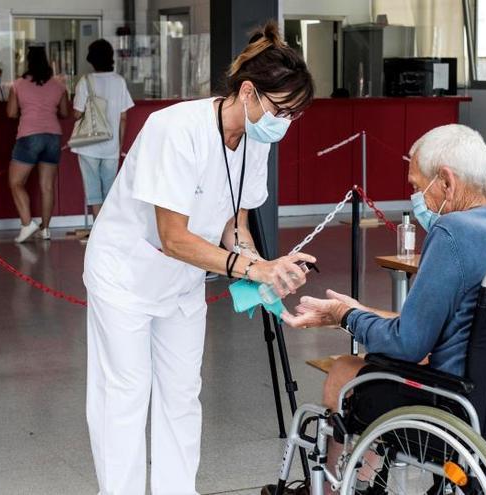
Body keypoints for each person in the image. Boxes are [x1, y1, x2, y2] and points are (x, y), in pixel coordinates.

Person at [82, 22, 314, 494]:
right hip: (127, 273)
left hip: (184, 281)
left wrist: (269, 268)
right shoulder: (176, 128)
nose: (285, 123)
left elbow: (236, 225)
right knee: (124, 397)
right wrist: (252, 266)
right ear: (248, 92)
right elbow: (173, 237)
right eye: (280, 110)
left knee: (182, 396)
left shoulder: (257, 141)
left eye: (294, 115)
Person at [280, 125, 486, 489]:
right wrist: (362, 313)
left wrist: (345, 316)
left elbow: (410, 343)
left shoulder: (452, 233)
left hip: (460, 407)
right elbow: (454, 324)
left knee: (345, 371)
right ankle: (365, 475)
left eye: (416, 185)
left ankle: (336, 485)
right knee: (382, 365)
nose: (414, 197)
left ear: (447, 182)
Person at [6, 45, 70, 242]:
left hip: (29, 136)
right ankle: (46, 229)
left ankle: (27, 224)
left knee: (15, 182)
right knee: (47, 186)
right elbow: (65, 113)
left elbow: (11, 113)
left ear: (28, 62)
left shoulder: (18, 85)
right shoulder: (58, 85)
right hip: (52, 137)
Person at [72, 39, 134, 220]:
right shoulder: (119, 81)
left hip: (88, 144)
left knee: (93, 189)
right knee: (110, 190)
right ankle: (108, 229)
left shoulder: (85, 81)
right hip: (111, 145)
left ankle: (97, 229)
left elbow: (77, 114)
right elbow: (123, 117)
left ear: (91, 59)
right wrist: (119, 144)